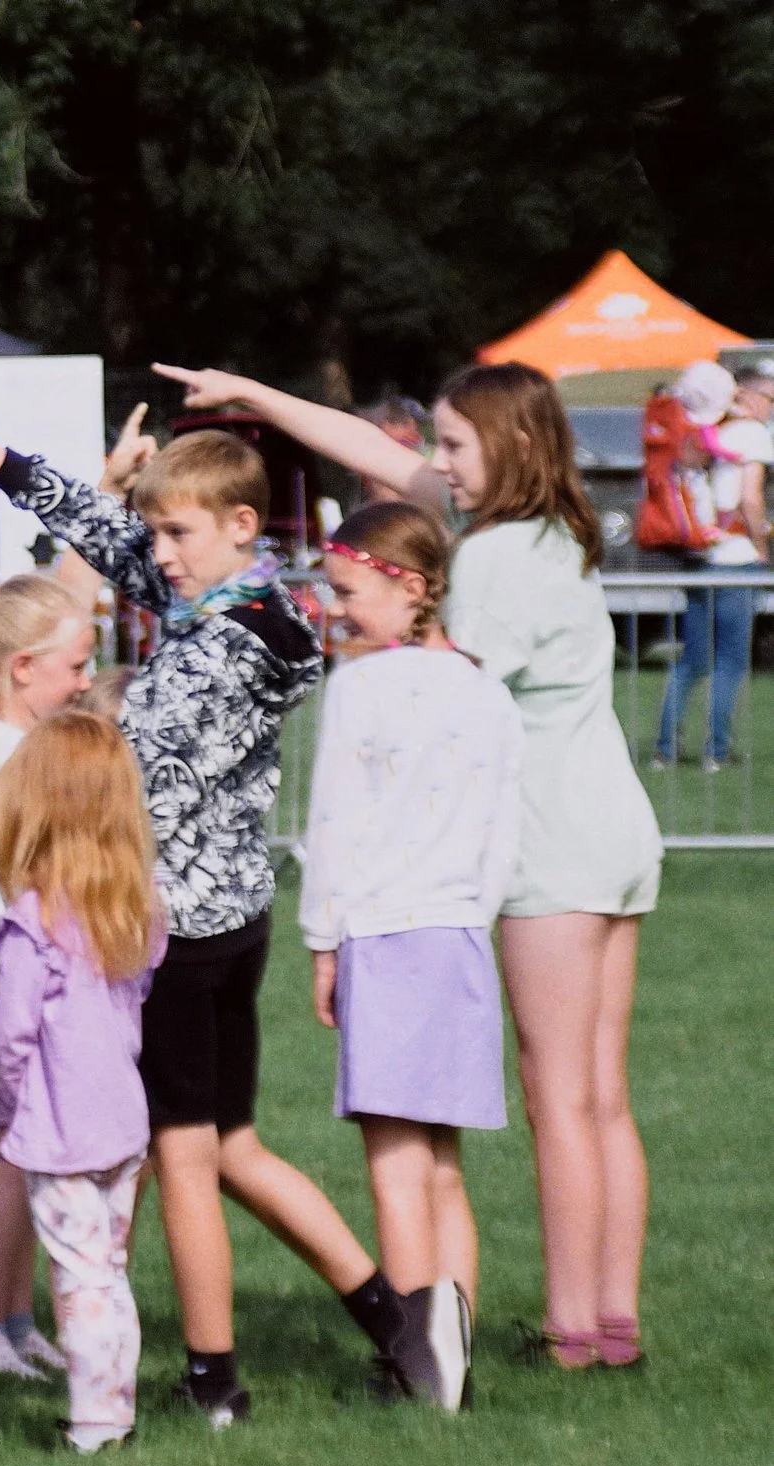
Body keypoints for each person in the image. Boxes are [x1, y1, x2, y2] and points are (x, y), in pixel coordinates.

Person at [0, 418, 411, 1427]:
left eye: (176, 534)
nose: (157, 554)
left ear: (239, 525)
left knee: (186, 1156)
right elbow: (103, 532)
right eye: (155, 533)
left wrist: (46, 724)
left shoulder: (221, 646)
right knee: (234, 1148)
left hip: (180, 938)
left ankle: (214, 1381)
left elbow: (110, 763)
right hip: (230, 919)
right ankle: (399, 1324)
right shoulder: (240, 600)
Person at [153, 359, 663, 1370]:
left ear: (513, 445)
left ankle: (569, 1330)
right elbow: (379, 457)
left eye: (456, 445)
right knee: (603, 1092)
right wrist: (258, 396)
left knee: (558, 1093)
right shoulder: (555, 532)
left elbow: (446, 682)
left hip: (552, 843)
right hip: (616, 826)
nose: (438, 463)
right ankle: (613, 1321)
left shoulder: (496, 555)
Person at [303, 501, 524, 1412]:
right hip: (461, 937)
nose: (338, 609)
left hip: (385, 934)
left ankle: (413, 1365)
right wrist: (476, 912)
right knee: (440, 1165)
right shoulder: (488, 690)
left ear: (411, 586)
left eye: (349, 592)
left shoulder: (359, 689)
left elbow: (333, 819)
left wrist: (322, 941)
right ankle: (452, 1362)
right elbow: (506, 827)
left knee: (394, 1165)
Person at [0, 711, 166, 1453]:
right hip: (124, 1123)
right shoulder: (133, 909)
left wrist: (5, 1111)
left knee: (81, 1280)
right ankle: (116, 1408)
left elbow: (8, 1035)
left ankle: (95, 1422)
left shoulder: (34, 921)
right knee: (110, 1271)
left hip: (59, 1134)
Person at [0, 574, 97, 1380]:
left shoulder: (18, 735)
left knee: (33, 1155)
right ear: (24, 667)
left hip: (16, 968)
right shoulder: (14, 755)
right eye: (77, 666)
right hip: (6, 977)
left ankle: (13, 1319)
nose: (86, 681)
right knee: (18, 1155)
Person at [654, 363, 769, 770]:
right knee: (731, 659)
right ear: (748, 395)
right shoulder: (752, 433)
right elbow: (751, 499)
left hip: (700, 555)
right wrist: (763, 549)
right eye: (770, 398)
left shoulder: (701, 429)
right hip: (736, 558)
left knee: (692, 658)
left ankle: (664, 750)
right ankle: (716, 751)